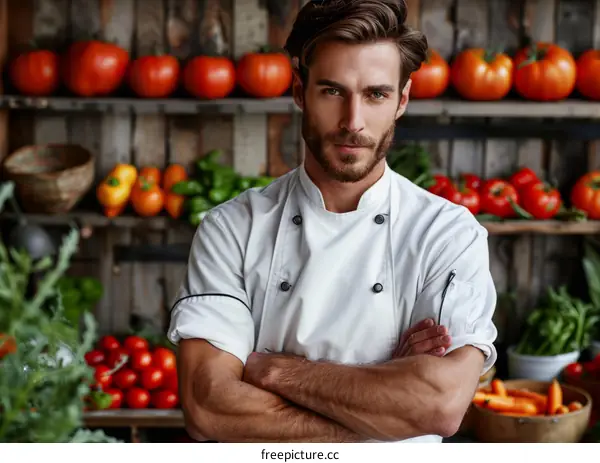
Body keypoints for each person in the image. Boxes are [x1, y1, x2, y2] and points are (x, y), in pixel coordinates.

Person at [167, 0, 498, 444]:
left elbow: (438, 405)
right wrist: (384, 407)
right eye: (332, 91)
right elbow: (209, 408)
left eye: (375, 94)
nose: (353, 122)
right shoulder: (232, 229)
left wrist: (272, 369)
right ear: (300, 92)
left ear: (401, 100)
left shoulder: (447, 234)